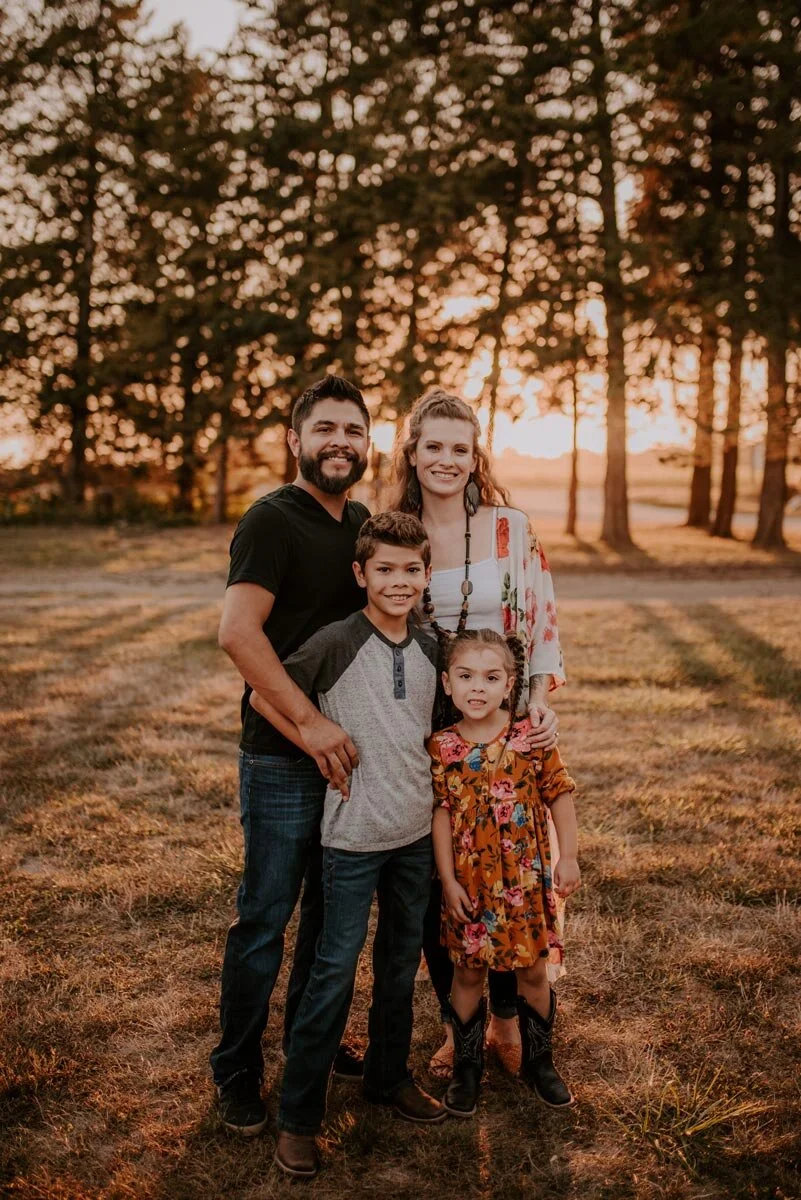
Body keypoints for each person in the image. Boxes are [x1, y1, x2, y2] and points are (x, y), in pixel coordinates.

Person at [251, 512, 446, 1179]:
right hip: (352, 841)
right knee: (333, 972)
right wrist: (311, 739)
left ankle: (388, 1078)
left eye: (411, 569)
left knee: (398, 966)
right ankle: (299, 1116)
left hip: (415, 837)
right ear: (360, 574)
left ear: (427, 575)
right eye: (384, 569)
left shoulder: (433, 645)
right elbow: (262, 699)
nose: (399, 581)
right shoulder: (335, 641)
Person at [209, 375, 372, 1136]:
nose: (340, 442)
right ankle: (237, 1069)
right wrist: (308, 725)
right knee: (265, 919)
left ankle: (312, 1041)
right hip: (282, 756)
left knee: (328, 920)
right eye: (325, 428)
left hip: (346, 760)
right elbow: (238, 634)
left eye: (354, 430)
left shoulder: (362, 524)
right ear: (294, 439)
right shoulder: (271, 521)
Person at [391, 387, 566, 1075]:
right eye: (432, 446)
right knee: (446, 880)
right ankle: (455, 1021)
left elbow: (542, 620)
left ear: (474, 457)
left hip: (502, 721)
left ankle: (507, 1021)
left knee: (510, 874)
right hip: (422, 725)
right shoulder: (395, 530)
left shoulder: (508, 529)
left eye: (459, 448)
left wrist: (536, 700)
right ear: (411, 453)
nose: (446, 459)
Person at [428, 628, 580, 1117]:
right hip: (470, 884)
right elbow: (441, 814)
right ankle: (467, 1066)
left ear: (510, 684)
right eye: (466, 676)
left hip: (524, 882)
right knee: (468, 971)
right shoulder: (442, 748)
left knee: (532, 970)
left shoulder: (529, 738)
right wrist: (447, 880)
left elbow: (560, 793)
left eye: (491, 678)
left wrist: (569, 857)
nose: (478, 687)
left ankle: (540, 1062)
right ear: (447, 683)